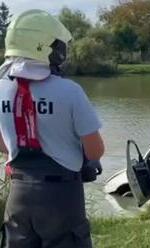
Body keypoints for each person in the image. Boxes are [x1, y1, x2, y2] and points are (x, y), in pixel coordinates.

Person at [0, 9, 105, 247]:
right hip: (61, 196)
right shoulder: (69, 91)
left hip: (19, 192)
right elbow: (95, 151)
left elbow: (3, 144)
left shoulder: (1, 88)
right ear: (50, 49)